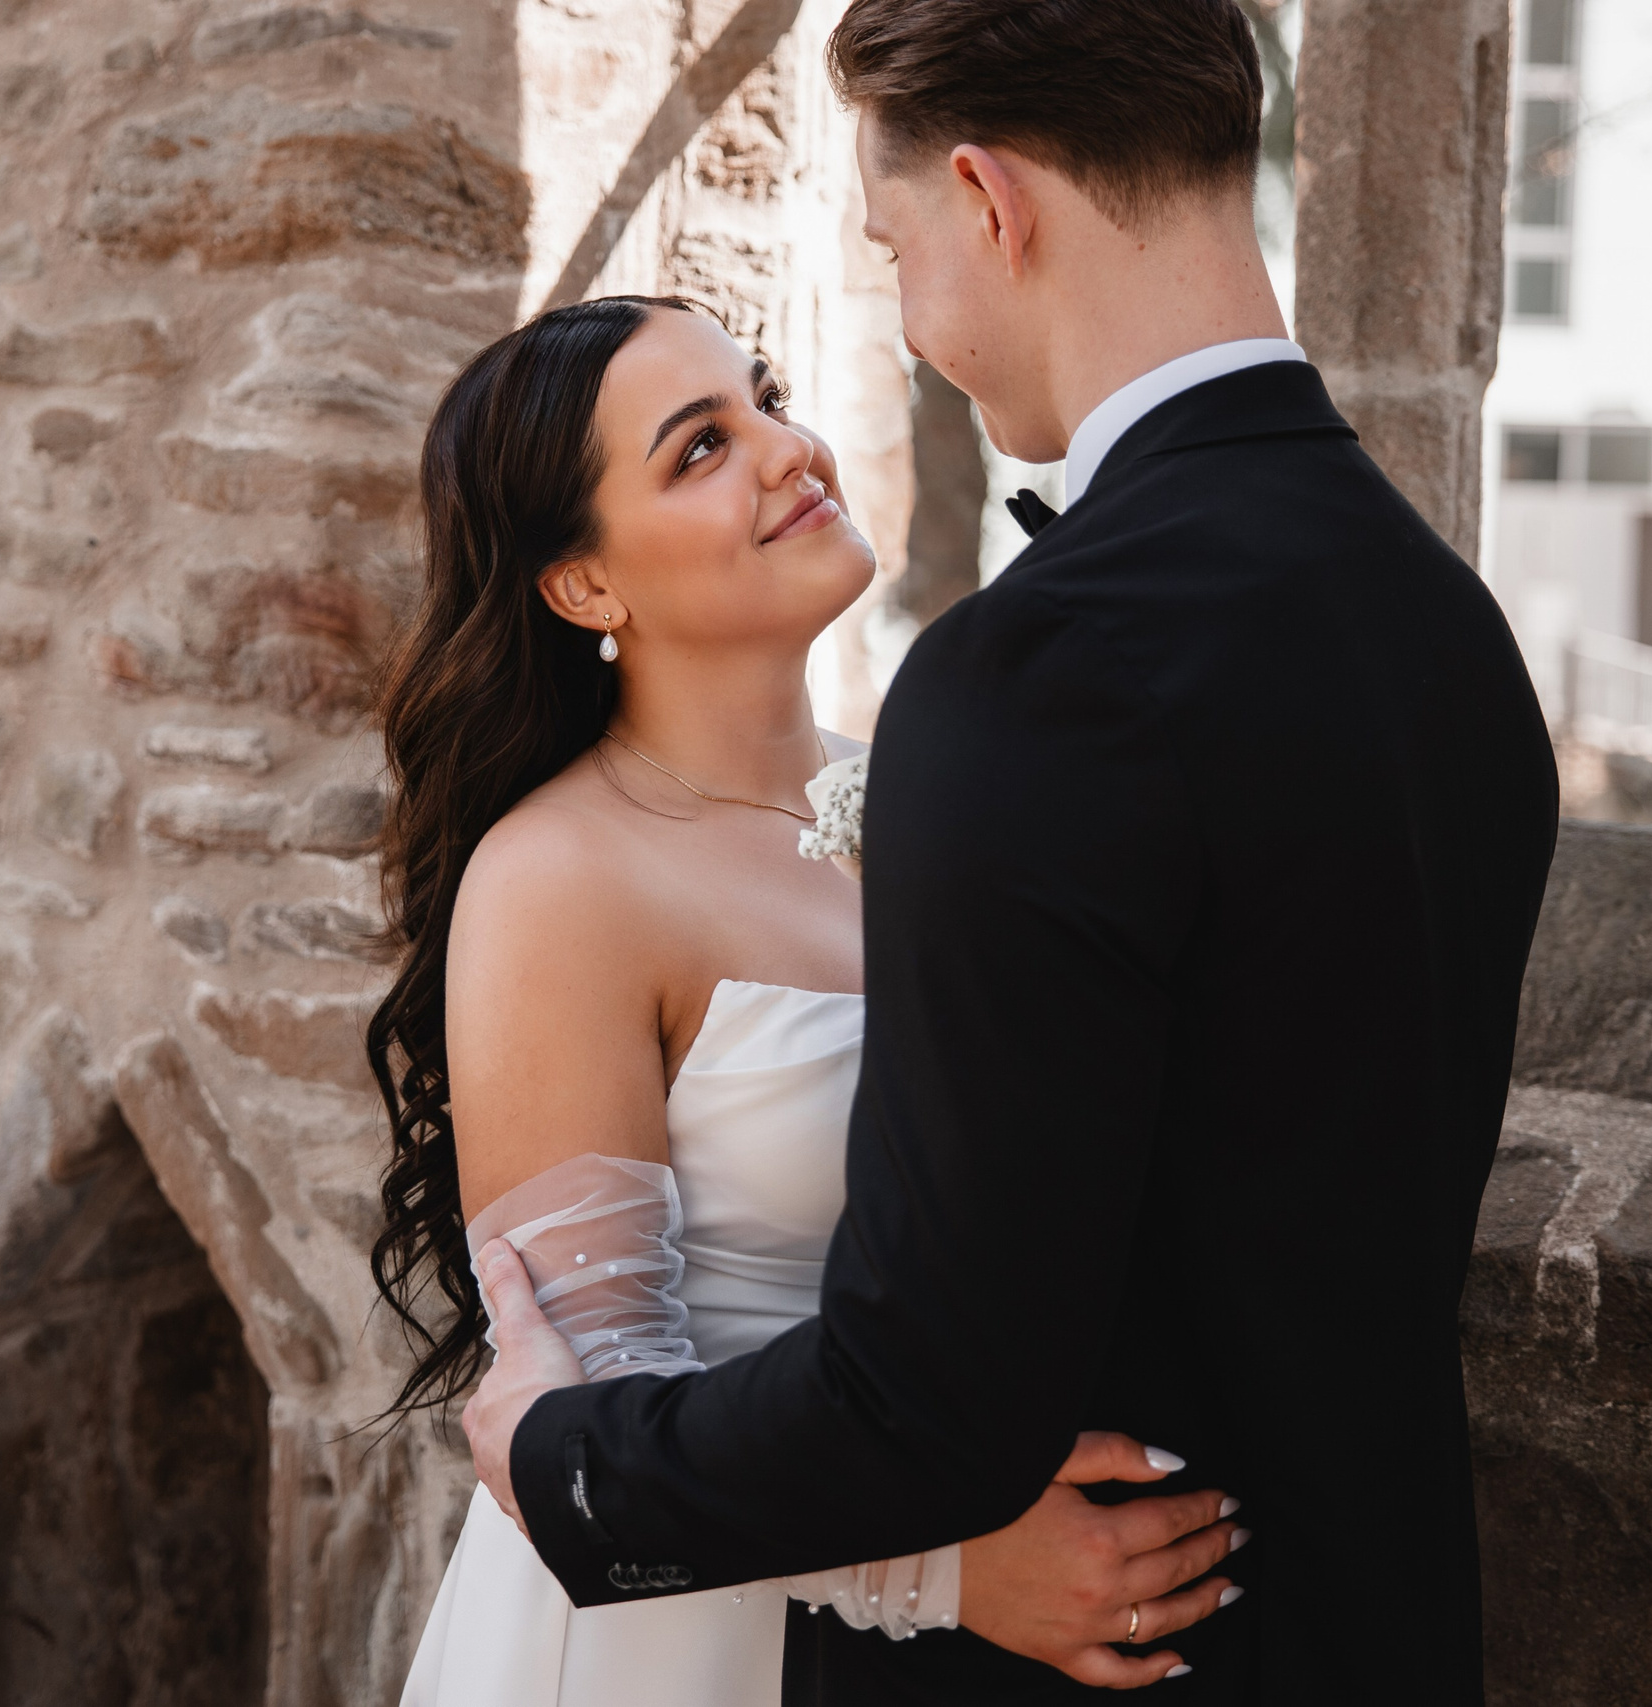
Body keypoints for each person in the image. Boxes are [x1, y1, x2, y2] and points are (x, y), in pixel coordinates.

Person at [456, 0, 1562, 1703]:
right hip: (1380, 1628)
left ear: (989, 198)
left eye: (896, 250)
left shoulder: (1029, 681)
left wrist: (565, 1467)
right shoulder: (1455, 633)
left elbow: (931, 1392)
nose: (898, 340)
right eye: (699, 441)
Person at [375, 294, 1248, 1707]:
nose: (791, 450)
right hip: (675, 1645)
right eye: (700, 448)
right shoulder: (560, 878)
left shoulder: (935, 792)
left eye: (767, 397)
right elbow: (584, 1409)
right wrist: (948, 1575)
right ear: (586, 586)